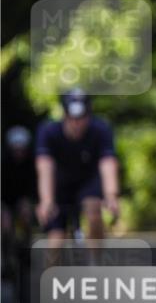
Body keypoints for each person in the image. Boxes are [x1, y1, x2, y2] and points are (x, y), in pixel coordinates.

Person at [35, 89, 120, 246]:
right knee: (55, 242)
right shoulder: (48, 131)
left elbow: (107, 162)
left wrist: (111, 195)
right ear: (64, 115)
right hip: (59, 184)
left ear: (89, 115)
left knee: (94, 209)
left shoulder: (101, 129)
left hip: (88, 180)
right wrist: (46, 200)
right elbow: (45, 167)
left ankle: (94, 265)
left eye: (81, 118)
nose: (77, 123)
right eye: (72, 118)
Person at [1, 126, 36, 280]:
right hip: (4, 199)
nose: (19, 153)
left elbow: (34, 186)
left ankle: (27, 249)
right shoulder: (3, 162)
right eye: (16, 149)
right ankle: (6, 259)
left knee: (26, 217)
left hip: (23, 198)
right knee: (5, 226)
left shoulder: (32, 162)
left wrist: (28, 201)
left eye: (22, 149)